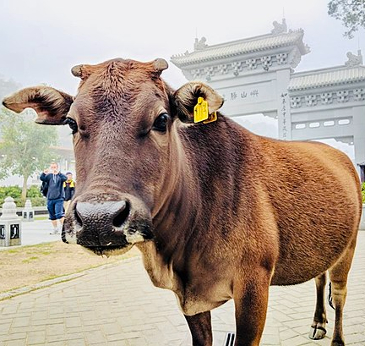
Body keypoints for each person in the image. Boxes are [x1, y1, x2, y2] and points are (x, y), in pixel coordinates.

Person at [40, 162, 67, 234]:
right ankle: (55, 229)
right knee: (52, 215)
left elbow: (65, 178)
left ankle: (65, 229)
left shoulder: (60, 176)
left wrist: (58, 173)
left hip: (59, 198)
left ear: (57, 167)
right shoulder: (49, 176)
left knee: (59, 214)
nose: (53, 169)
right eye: (52, 167)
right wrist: (44, 173)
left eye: (54, 167)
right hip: (50, 198)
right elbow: (42, 178)